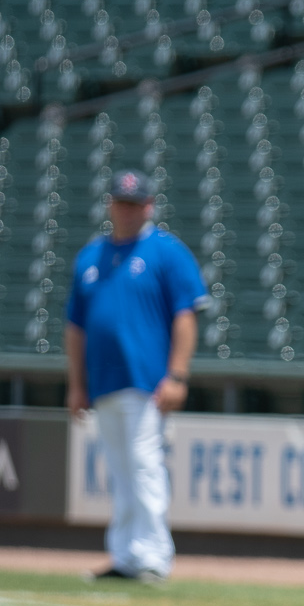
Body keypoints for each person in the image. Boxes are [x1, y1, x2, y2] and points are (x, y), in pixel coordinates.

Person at [63, 170, 205, 583]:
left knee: (143, 465)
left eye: (134, 203)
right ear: (110, 205)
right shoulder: (90, 257)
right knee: (120, 470)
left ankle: (154, 556)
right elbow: (75, 327)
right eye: (120, 202)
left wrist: (177, 374)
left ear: (149, 206)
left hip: (146, 381)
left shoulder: (166, 252)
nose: (127, 210)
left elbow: (186, 315)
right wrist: (76, 383)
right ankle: (126, 555)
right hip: (104, 381)